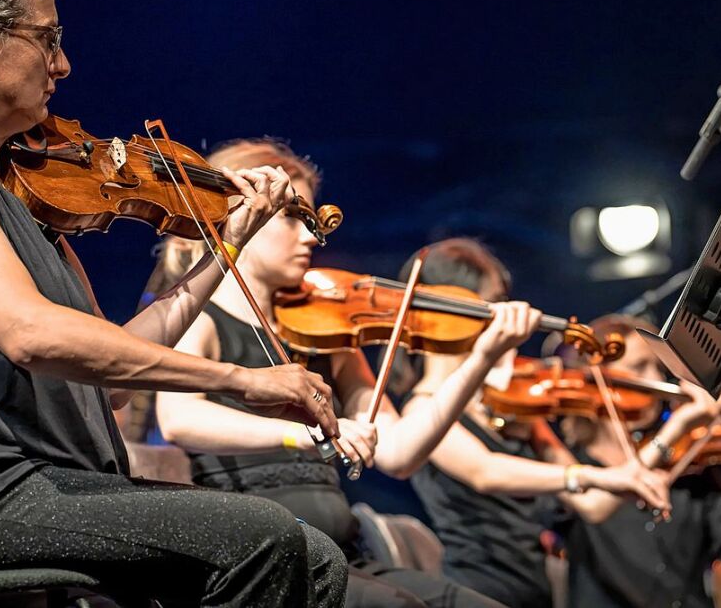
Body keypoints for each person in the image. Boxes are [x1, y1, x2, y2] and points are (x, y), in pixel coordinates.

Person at [0, 0, 348, 607]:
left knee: (316, 560)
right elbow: (32, 334)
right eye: (46, 39)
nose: (64, 63)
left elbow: (106, 384)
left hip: (24, 486)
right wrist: (239, 378)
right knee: (263, 540)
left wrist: (226, 247)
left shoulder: (11, 191)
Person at [152, 138, 545, 608]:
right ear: (240, 214)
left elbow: (399, 452)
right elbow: (177, 418)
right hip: (267, 562)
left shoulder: (326, 332)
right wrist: (304, 435)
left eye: (311, 221)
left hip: (345, 553)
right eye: (291, 218)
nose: (310, 237)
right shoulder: (203, 317)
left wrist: (482, 356)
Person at [399, 239, 675, 608]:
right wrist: (592, 474)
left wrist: (679, 427)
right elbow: (487, 471)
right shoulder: (421, 412)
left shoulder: (514, 406)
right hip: (476, 592)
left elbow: (594, 505)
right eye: (491, 304)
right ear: (452, 309)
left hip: (536, 592)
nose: (502, 316)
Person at [559, 314, 721, 608]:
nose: (655, 380)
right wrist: (676, 428)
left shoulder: (690, 465)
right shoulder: (571, 465)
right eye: (639, 367)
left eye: (658, 367)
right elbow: (595, 502)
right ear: (596, 376)